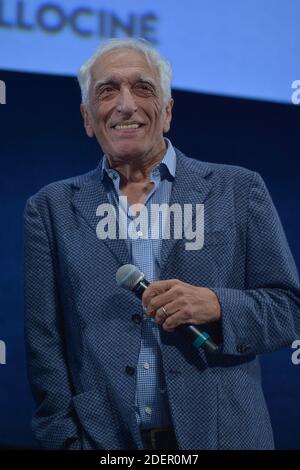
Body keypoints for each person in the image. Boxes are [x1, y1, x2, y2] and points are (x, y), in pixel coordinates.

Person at [24, 38, 300, 450]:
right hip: (105, 443)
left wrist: (219, 306)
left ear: (167, 112)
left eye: (143, 88)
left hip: (225, 437)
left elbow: (290, 309)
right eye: (107, 90)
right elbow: (44, 343)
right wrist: (64, 441)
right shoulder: (50, 208)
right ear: (87, 118)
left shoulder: (238, 189)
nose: (125, 105)